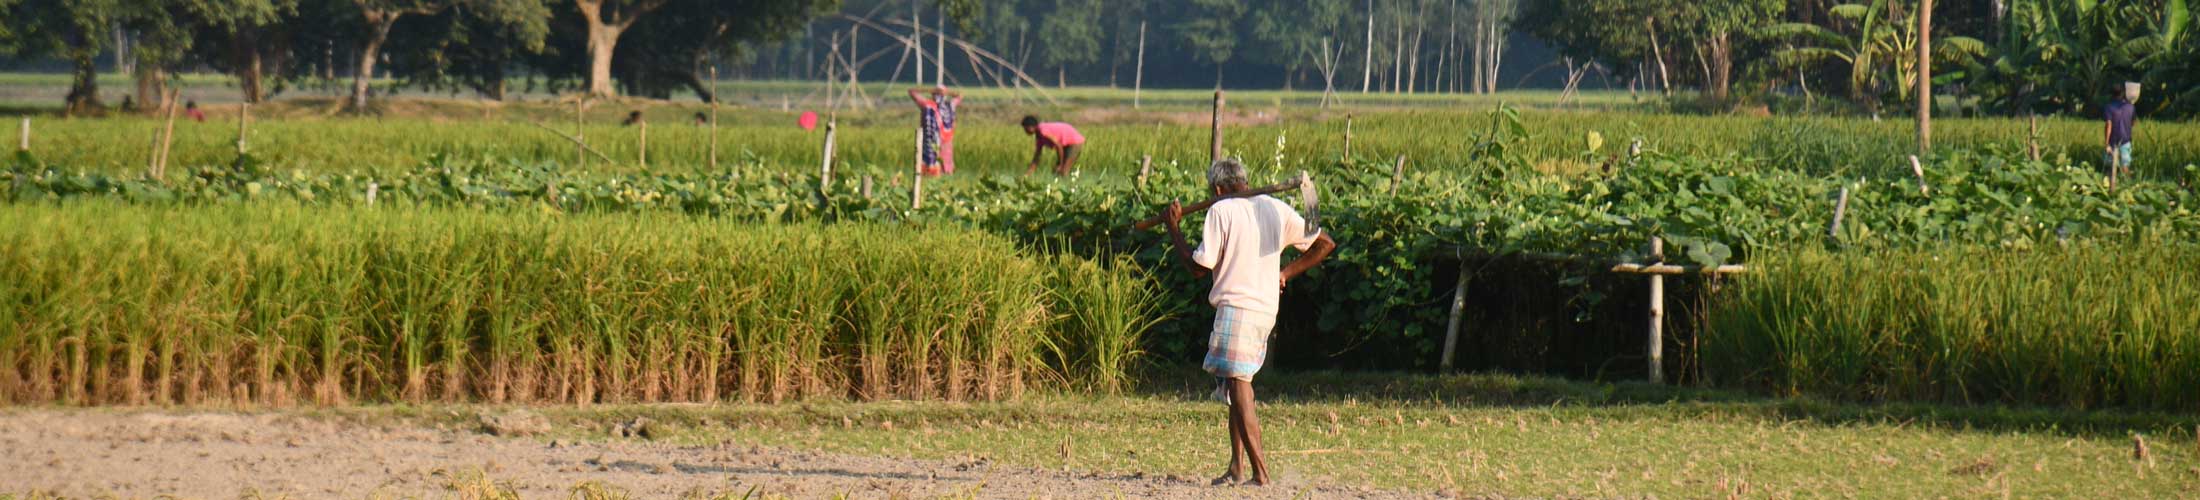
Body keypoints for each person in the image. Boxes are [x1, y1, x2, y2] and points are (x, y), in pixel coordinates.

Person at [1161, 159, 1337, 487]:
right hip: (1265, 310)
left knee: (1240, 386)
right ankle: (1236, 467)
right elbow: (1324, 241)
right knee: (1235, 384)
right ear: (1245, 181)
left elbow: (1199, 267)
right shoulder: (1275, 208)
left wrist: (1173, 228)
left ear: (1216, 189)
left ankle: (1261, 474)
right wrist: (1285, 272)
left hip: (1237, 308)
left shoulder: (1220, 210)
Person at [910, 86, 963, 176]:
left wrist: (945, 91)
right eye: (937, 93)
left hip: (946, 141)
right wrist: (931, 89)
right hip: (931, 141)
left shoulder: (948, 106)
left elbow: (960, 95)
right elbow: (912, 92)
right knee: (932, 163)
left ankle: (944, 178)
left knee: (945, 164)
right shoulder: (928, 105)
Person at [2104, 82, 2139, 181]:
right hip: (2126, 141)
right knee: (2125, 167)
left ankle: (2110, 188)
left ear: (2111, 94)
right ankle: (2129, 185)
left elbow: (2108, 125)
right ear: (2123, 93)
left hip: (2112, 141)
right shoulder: (2131, 107)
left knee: (2110, 168)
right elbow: (2133, 122)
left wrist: (2106, 143)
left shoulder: (2109, 107)